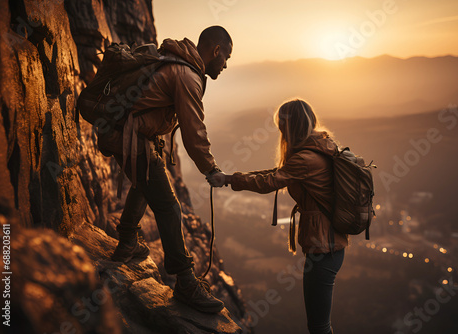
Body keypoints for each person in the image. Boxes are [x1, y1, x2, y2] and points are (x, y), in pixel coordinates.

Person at [110, 26, 232, 314]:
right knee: (168, 206)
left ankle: (127, 240)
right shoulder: (187, 75)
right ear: (215, 51)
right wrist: (210, 168)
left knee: (146, 184)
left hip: (127, 133)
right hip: (131, 137)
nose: (226, 64)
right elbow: (194, 132)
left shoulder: (179, 63)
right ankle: (186, 283)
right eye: (226, 57)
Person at [208, 99, 348, 333]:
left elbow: (270, 182)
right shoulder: (322, 146)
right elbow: (277, 173)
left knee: (319, 326)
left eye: (282, 127)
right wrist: (232, 177)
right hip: (330, 244)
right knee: (320, 324)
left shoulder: (305, 159)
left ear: (290, 127)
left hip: (325, 247)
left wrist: (229, 179)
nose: (281, 132)